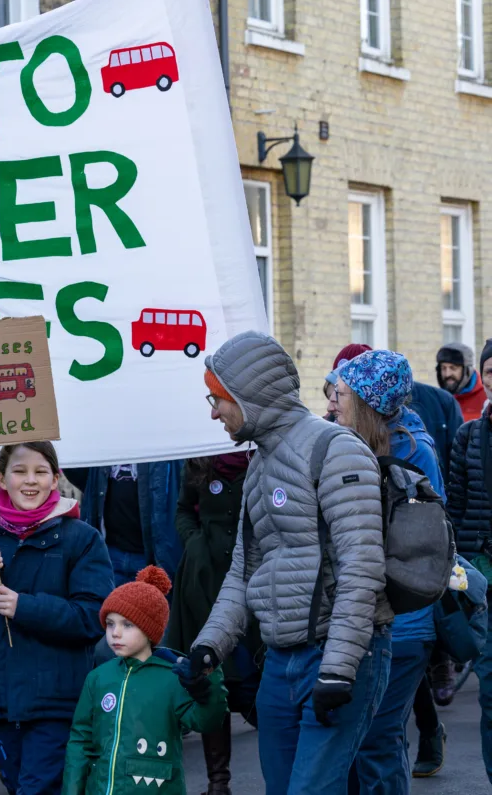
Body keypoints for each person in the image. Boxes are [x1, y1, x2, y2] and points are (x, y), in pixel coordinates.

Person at [188, 331, 391, 795]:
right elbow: (243, 571)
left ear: (250, 395)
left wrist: (339, 668)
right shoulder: (259, 464)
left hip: (338, 656)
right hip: (280, 662)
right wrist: (209, 646)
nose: (213, 411)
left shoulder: (334, 449)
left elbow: (362, 565)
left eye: (218, 398)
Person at [0, 442, 114, 795]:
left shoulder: (81, 539)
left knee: (36, 789)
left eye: (41, 472)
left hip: (57, 699)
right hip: (1, 701)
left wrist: (25, 607)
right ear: (0, 479)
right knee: (19, 785)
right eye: (19, 471)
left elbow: (91, 617)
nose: (30, 481)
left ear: (56, 479)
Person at [331, 351, 444, 795]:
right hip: (371, 619)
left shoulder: (410, 454)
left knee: (377, 741)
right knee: (367, 741)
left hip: (403, 623)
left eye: (342, 394)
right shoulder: (364, 444)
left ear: (367, 402)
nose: (333, 403)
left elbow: (413, 548)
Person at [62, 566, 228, 795]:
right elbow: (81, 740)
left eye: (127, 624)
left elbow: (206, 722)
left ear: (150, 629)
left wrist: (210, 682)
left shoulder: (173, 676)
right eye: (110, 623)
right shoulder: (98, 677)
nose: (115, 633)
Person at [165, 454, 262, 795]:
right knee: (209, 676)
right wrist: (195, 542)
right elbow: (182, 510)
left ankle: (285, 776)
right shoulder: (198, 459)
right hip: (204, 579)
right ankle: (218, 782)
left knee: (255, 677)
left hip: (253, 574)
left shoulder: (260, 454)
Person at [446, 337, 492, 785]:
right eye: (491, 370)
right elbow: (455, 507)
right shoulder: (469, 434)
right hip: (483, 569)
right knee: (491, 689)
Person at [64, 461, 184, 585]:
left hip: (152, 557)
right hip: (109, 553)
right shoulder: (102, 445)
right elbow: (81, 475)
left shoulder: (166, 449)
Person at [437, 342, 486, 421]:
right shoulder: (439, 399)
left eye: (453, 368)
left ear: (467, 370)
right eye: (443, 368)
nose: (447, 374)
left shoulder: (487, 397)